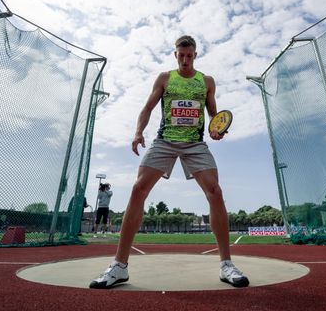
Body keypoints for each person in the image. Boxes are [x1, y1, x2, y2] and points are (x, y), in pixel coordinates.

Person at [89, 35, 249, 289]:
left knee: (215, 191)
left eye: (189, 55)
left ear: (195, 55)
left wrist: (216, 129)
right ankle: (119, 266)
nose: (185, 60)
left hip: (195, 145)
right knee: (137, 189)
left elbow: (213, 116)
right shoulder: (165, 78)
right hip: (164, 141)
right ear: (175, 55)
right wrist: (138, 132)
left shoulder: (206, 82)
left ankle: (226, 265)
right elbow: (147, 107)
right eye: (181, 55)